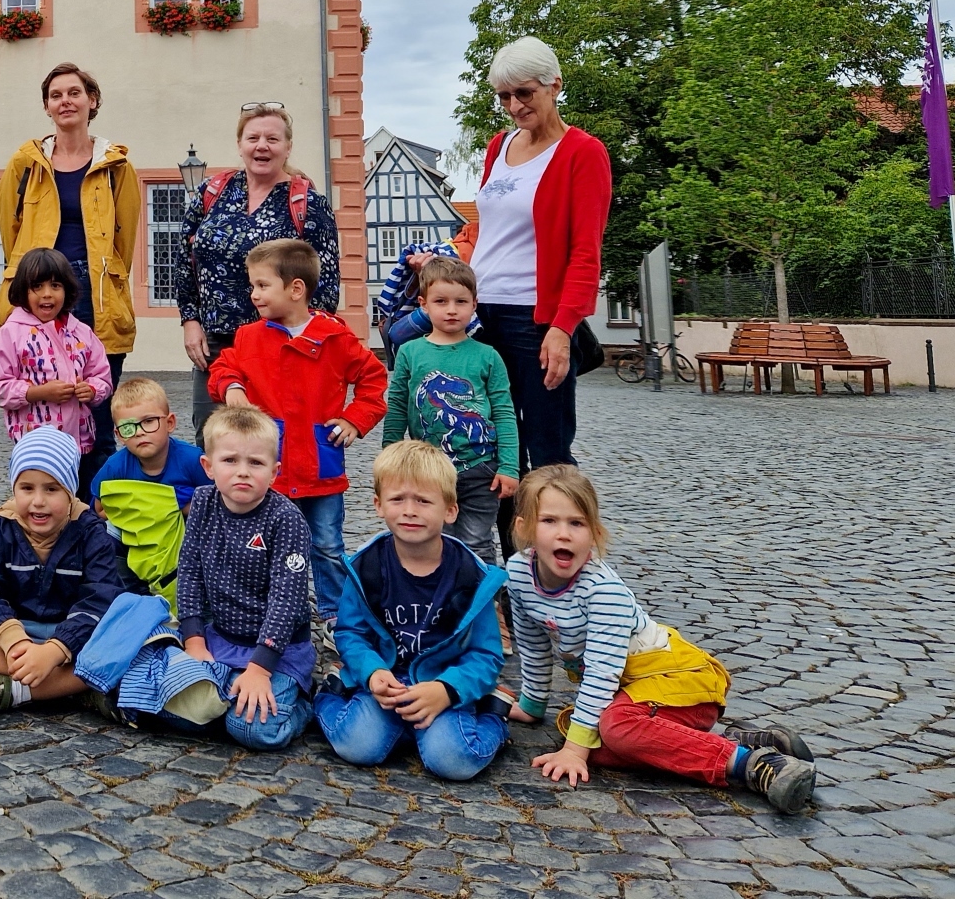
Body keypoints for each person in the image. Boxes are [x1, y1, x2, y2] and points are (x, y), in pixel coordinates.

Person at [506, 465, 817, 814]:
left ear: (593, 534)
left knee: (607, 731)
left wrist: (574, 751)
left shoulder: (602, 591)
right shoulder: (518, 573)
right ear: (524, 528)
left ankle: (752, 764)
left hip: (680, 682)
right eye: (549, 521)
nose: (563, 534)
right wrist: (532, 705)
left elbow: (601, 673)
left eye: (576, 523)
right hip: (635, 695)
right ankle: (745, 741)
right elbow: (531, 641)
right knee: (591, 736)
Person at [455, 37, 611, 554]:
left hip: (535, 318)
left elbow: (585, 253)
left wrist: (562, 328)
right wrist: (452, 256)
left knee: (547, 451)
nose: (514, 105)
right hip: (482, 316)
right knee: (495, 448)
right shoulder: (498, 147)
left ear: (554, 85)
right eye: (503, 96)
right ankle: (511, 566)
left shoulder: (583, 153)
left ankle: (559, 565)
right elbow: (486, 231)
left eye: (524, 92)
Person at [209, 238, 386, 626]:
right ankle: (266, 608)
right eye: (252, 285)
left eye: (261, 285)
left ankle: (336, 616)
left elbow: (373, 379)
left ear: (295, 288)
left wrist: (355, 419)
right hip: (267, 468)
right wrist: (231, 387)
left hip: (320, 467)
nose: (253, 293)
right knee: (263, 542)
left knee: (326, 544)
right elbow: (223, 368)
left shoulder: (335, 338)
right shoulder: (249, 336)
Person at [316, 440, 511, 780]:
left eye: (423, 501)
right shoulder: (366, 568)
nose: (409, 510)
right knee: (358, 747)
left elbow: (486, 654)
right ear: (379, 505)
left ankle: (494, 713)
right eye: (397, 499)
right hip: (384, 684)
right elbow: (350, 632)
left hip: (441, 684)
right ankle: (330, 693)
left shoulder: (472, 577)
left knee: (455, 762)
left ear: (450, 510)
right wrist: (373, 672)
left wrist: (448, 690)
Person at [0, 63, 141, 488]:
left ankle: (95, 521)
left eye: (74, 93)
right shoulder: (25, 164)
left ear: (91, 101)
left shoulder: (116, 167)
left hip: (95, 293)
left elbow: (124, 241)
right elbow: (12, 231)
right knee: (40, 411)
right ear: (47, 106)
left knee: (95, 413)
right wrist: (35, 280)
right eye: (56, 95)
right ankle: (44, 506)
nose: (66, 101)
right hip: (40, 291)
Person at [177, 104, 341, 442]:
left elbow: (324, 286)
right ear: (240, 144)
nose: (261, 145)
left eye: (272, 138)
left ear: (287, 147)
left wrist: (306, 346)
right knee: (213, 439)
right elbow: (184, 259)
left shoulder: (307, 203)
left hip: (280, 347)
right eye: (253, 137)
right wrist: (190, 320)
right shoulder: (213, 193)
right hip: (217, 345)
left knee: (274, 443)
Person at [0, 427, 123, 715]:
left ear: (70, 492)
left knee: (118, 643)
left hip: (74, 636)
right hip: (19, 631)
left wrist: (55, 650)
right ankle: (73, 688)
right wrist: (14, 639)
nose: (38, 501)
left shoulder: (91, 531)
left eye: (51, 489)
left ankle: (16, 690)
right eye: (27, 488)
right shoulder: (1, 528)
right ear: (14, 488)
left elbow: (100, 600)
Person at [178, 403, 316, 751]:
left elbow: (287, 601)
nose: (243, 472)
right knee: (184, 714)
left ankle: (308, 705)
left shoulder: (286, 520)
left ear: (274, 471)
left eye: (255, 463)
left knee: (252, 730)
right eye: (230, 461)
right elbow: (190, 573)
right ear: (208, 467)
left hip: (277, 650)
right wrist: (193, 639)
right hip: (220, 638)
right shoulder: (203, 503)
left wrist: (260, 668)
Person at [380, 257, 519, 563]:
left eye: (461, 301)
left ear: (474, 304)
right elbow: (398, 407)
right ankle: (443, 604)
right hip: (428, 472)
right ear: (424, 304)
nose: (452, 309)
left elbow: (504, 412)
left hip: (481, 468)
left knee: (477, 541)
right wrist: (391, 458)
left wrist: (509, 466)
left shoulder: (488, 356)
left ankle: (485, 606)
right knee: (433, 540)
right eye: (441, 301)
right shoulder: (410, 353)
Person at [89, 377, 210, 609]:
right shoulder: (116, 466)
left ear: (170, 422)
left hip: (183, 541)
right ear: (118, 434)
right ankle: (129, 598)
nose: (140, 432)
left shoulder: (192, 460)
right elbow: (100, 509)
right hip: (135, 541)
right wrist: (145, 506)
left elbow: (215, 506)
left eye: (149, 422)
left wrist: (178, 505)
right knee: (104, 538)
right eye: (128, 427)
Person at [0, 248, 113, 453]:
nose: (47, 294)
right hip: (33, 442)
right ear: (23, 290)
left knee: (77, 485)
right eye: (37, 286)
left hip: (78, 442)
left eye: (55, 286)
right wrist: (36, 393)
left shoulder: (82, 332)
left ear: (67, 290)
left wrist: (91, 389)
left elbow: (102, 376)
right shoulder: (11, 334)